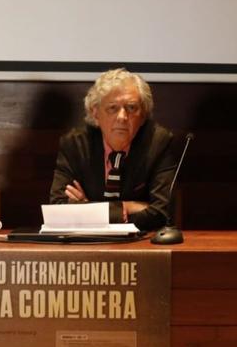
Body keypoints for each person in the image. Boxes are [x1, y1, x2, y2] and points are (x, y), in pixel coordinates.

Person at [49, 68, 175, 231]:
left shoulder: (158, 142)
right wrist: (128, 207)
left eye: (131, 108)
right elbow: (58, 207)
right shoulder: (74, 145)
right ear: (95, 113)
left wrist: (89, 209)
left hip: (140, 246)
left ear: (143, 115)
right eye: (112, 108)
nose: (122, 117)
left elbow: (161, 212)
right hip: (87, 246)